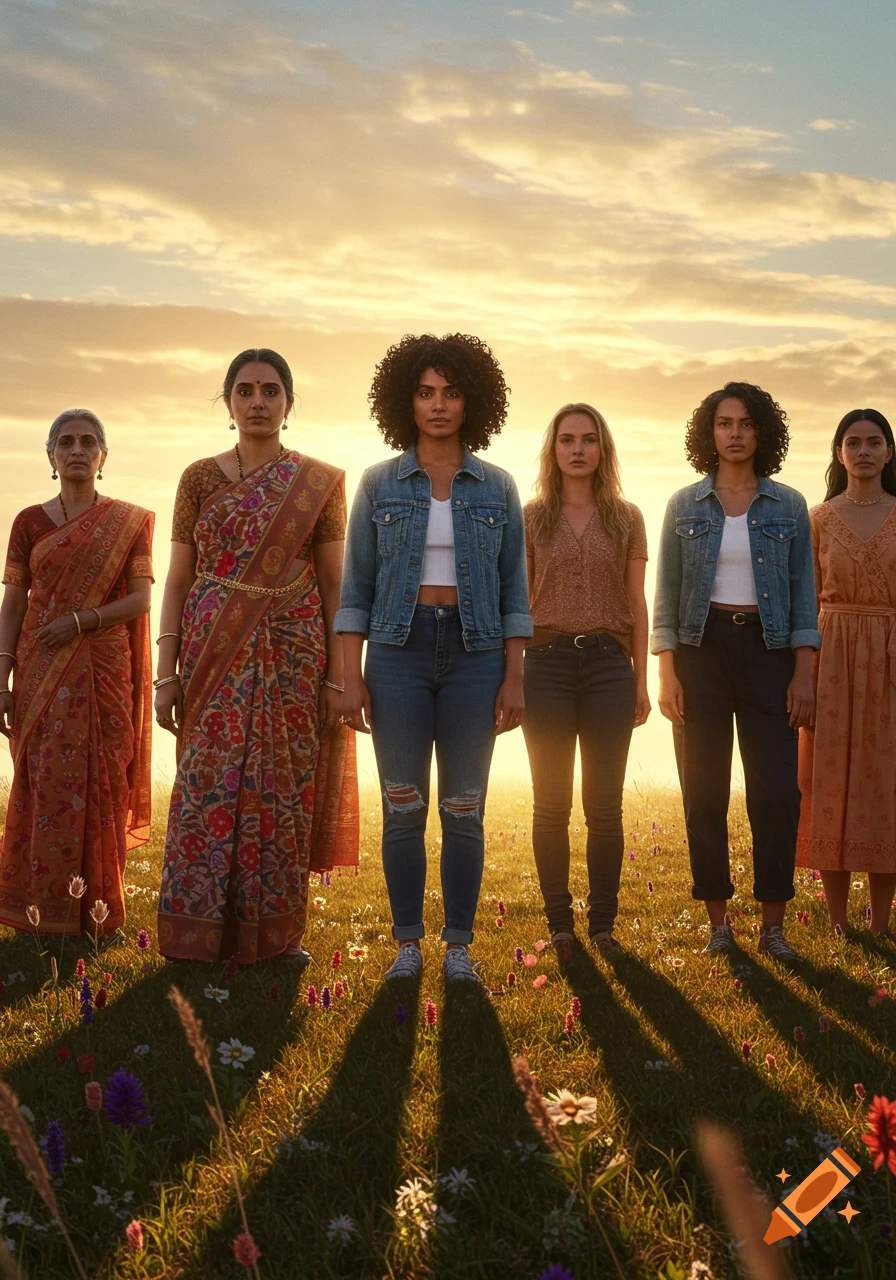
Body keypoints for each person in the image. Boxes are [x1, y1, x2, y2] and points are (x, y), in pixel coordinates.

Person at [336, 333, 531, 982]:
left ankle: (458, 948)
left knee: (464, 809)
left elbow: (514, 593)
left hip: (477, 657)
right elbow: (355, 591)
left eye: (450, 392)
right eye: (425, 393)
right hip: (398, 655)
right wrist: (350, 676)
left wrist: (515, 677)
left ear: (472, 401)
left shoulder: (498, 487)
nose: (439, 405)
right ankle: (407, 944)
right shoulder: (378, 484)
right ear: (407, 402)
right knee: (403, 806)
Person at [155, 348, 358, 964]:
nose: (258, 403)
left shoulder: (319, 484)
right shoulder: (198, 478)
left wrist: (340, 676)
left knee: (282, 788)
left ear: (289, 404)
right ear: (228, 403)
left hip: (293, 650)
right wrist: (165, 672)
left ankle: (274, 936)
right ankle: (197, 933)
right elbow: (178, 580)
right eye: (245, 391)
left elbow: (334, 583)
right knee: (206, 784)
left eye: (271, 391)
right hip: (211, 653)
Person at [652, 382, 820, 960]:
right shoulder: (683, 505)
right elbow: (666, 596)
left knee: (776, 794)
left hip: (770, 655)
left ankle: (773, 927)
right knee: (703, 792)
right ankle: (718, 925)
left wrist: (803, 672)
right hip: (700, 652)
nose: (736, 434)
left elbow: (804, 597)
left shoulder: (789, 505)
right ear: (710, 433)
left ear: (762, 432)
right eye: (725, 423)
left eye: (746, 423)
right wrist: (667, 671)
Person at [0, 410, 153, 935]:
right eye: (66, 442)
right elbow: (13, 605)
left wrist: (80, 621)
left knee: (105, 783)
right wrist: (3, 680)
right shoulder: (29, 522)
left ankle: (97, 911)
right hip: (41, 670)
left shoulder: (128, 523)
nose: (77, 450)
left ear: (103, 456)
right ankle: (41, 911)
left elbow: (140, 600)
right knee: (44, 782)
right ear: (51, 455)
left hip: (104, 667)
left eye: (89, 442)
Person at [522, 403, 650, 955]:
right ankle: (559, 925)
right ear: (553, 449)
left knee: (604, 806)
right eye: (567, 439)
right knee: (551, 804)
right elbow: (517, 606)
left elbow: (637, 604)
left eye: (589, 439)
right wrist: (510, 676)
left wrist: (641, 680)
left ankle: (602, 926)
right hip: (544, 667)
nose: (578, 449)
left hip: (607, 668)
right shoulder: (531, 517)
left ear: (603, 448)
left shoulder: (627, 518)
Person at [797, 408, 896, 935]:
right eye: (852, 442)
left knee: (886, 784)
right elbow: (805, 599)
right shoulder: (818, 518)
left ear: (889, 452)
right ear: (838, 453)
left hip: (890, 660)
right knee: (829, 784)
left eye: (873, 442)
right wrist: (802, 672)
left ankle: (880, 923)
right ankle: (838, 921)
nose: (863, 451)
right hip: (830, 657)